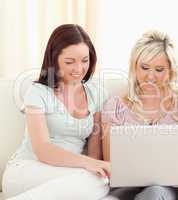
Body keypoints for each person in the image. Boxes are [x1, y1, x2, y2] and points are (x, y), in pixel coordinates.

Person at [2, 24, 111, 200]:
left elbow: (94, 153)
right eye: (70, 62)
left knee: (100, 182)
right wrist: (90, 164)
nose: (78, 69)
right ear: (54, 59)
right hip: (27, 169)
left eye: (84, 60)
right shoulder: (38, 92)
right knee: (94, 182)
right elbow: (43, 150)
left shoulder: (97, 93)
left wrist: (94, 164)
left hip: (71, 175)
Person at [101, 30, 178, 200]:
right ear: (134, 66)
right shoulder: (115, 106)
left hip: (165, 188)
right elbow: (111, 164)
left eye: (159, 69)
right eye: (144, 67)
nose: (150, 76)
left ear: (171, 70)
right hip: (126, 187)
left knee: (154, 194)